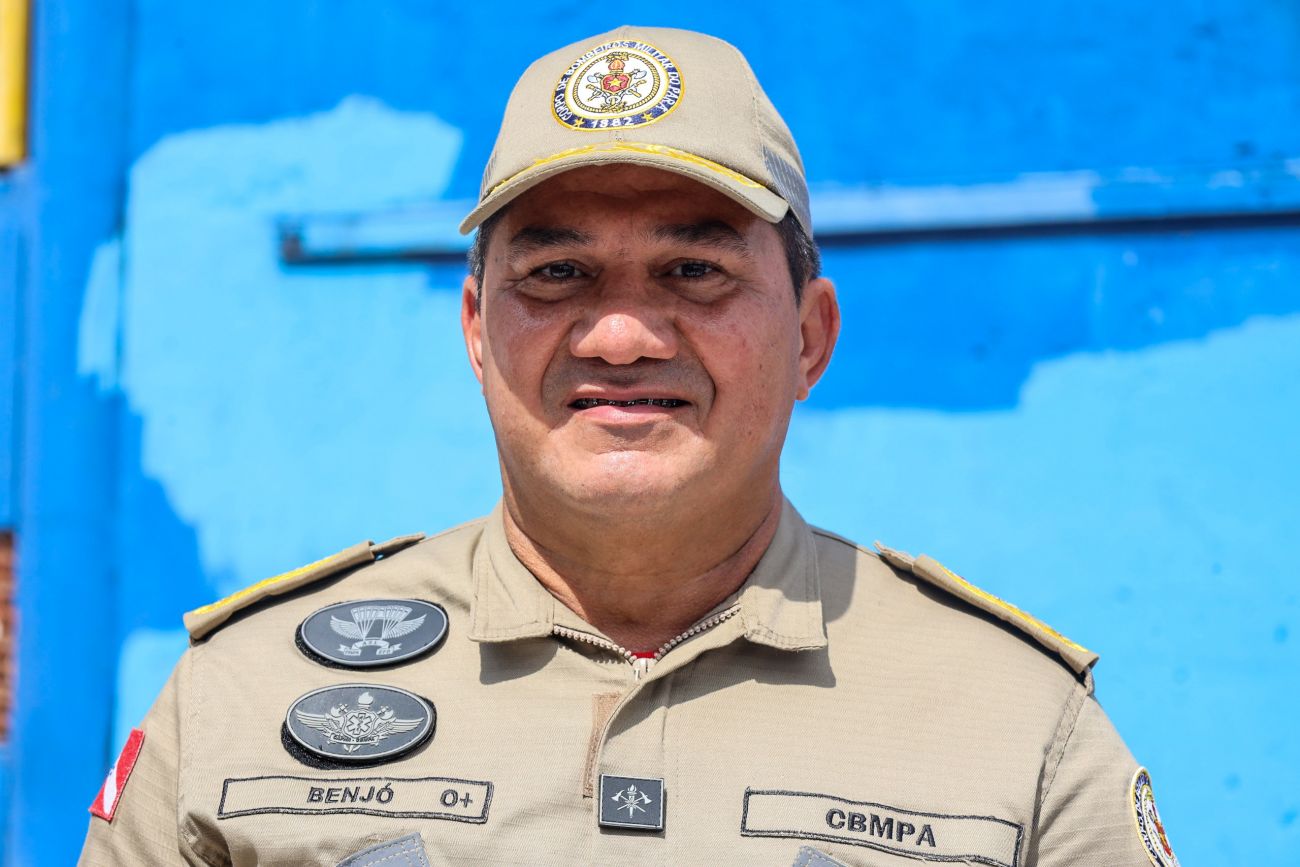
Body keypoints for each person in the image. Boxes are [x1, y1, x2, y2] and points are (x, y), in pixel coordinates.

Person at [80, 25, 1179, 867]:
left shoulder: (1014, 724)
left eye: (694, 272)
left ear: (809, 337)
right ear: (477, 329)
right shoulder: (242, 697)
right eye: (556, 273)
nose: (618, 335)